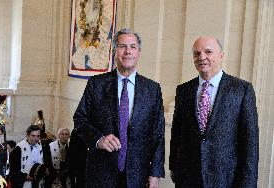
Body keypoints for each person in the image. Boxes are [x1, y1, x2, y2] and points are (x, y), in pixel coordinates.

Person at [73, 28, 165, 188]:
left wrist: (155, 173)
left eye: (133, 47)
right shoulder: (97, 84)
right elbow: (80, 119)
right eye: (122, 46)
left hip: (138, 174)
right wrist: (98, 139)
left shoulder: (152, 89)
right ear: (114, 51)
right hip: (101, 173)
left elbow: (158, 134)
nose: (128, 51)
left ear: (139, 53)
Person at [169, 36, 259, 187]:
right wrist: (174, 168)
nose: (202, 57)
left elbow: (250, 143)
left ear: (221, 55)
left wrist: (248, 183)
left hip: (226, 180)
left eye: (208, 52)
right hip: (188, 179)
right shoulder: (184, 90)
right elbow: (177, 133)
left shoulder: (242, 90)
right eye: (197, 53)